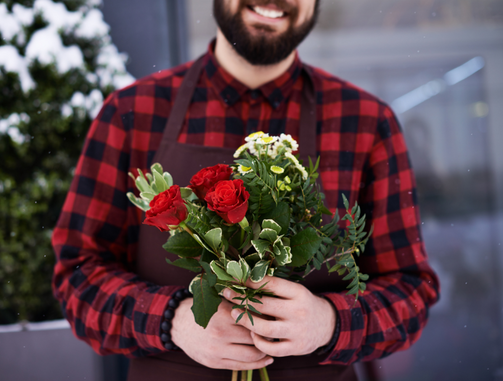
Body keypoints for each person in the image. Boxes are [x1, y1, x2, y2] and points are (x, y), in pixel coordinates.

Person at [51, 1, 440, 380]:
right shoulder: (132, 113)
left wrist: (329, 323)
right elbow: (77, 277)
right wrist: (174, 320)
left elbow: (412, 291)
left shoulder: (366, 123)